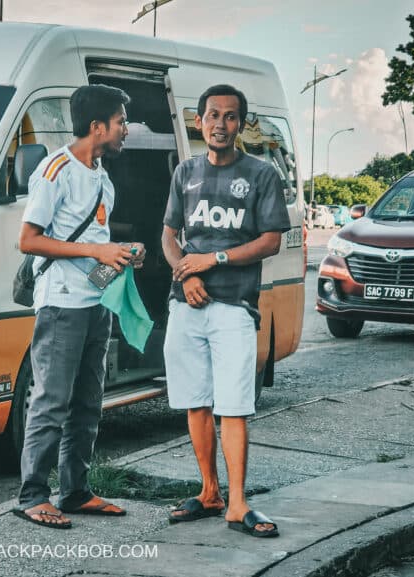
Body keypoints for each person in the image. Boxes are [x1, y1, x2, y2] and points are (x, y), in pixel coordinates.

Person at [160, 84, 290, 537]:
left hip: (234, 305)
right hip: (187, 304)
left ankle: (238, 503)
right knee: (195, 402)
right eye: (212, 115)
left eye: (230, 116)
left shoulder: (261, 174)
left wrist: (213, 260)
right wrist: (185, 273)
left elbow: (270, 241)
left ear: (241, 124)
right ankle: (209, 492)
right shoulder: (185, 172)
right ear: (199, 122)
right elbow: (169, 235)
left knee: (233, 406)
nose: (220, 124)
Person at [14, 84, 144, 529]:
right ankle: (33, 495)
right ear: (97, 126)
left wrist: (121, 256)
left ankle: (75, 491)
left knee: (88, 404)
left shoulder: (103, 178)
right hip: (61, 305)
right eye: (121, 122)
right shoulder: (57, 170)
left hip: (95, 303)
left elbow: (95, 246)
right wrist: (96, 252)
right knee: (52, 401)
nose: (126, 129)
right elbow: (28, 240)